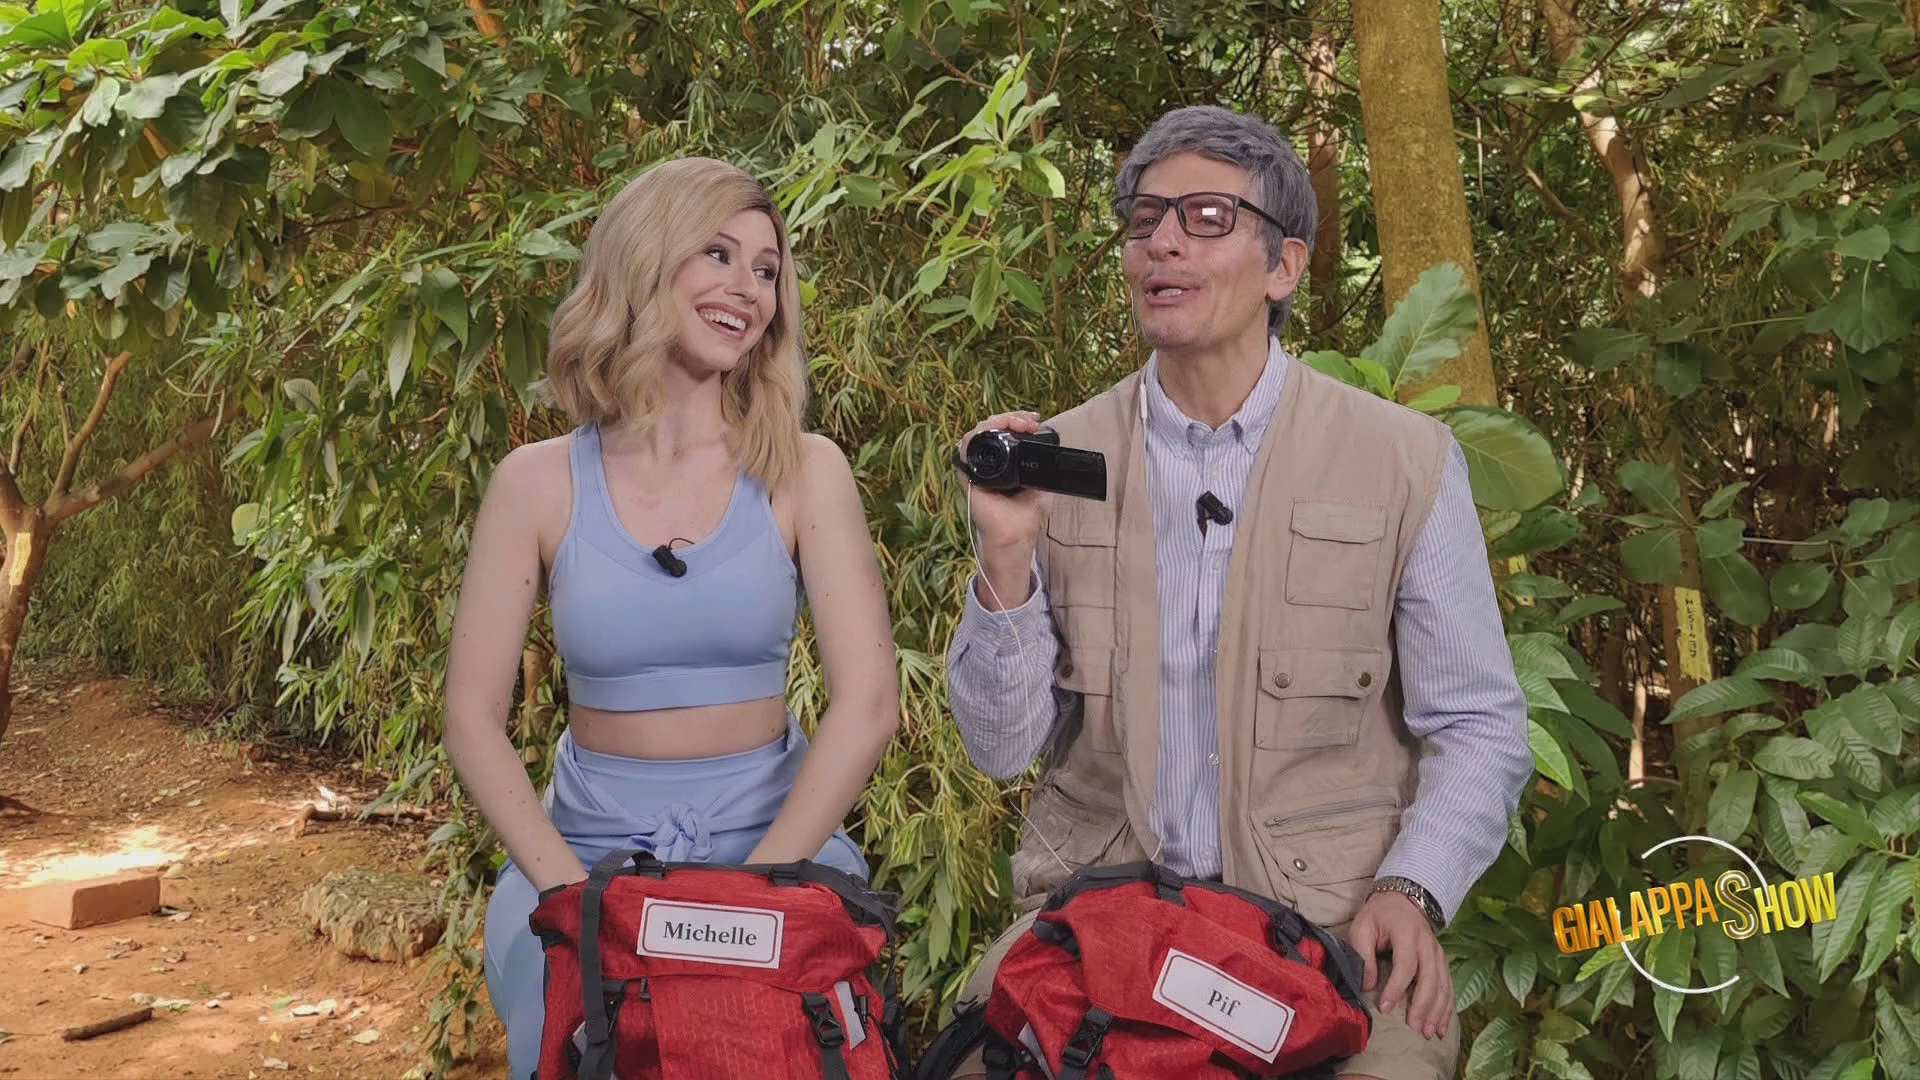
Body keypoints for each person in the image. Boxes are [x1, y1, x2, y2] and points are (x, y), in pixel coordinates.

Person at [942, 105, 1534, 1080]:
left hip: (1332, 931)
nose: (1163, 241)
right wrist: (1006, 555)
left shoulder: (1404, 461)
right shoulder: (1060, 460)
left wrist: (1412, 890)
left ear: (1283, 266)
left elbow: (1478, 724)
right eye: (1144, 220)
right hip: (1095, 922)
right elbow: (1000, 748)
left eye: (1207, 217)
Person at [443, 156, 901, 1080]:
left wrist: (755, 892)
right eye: (718, 254)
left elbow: (868, 705)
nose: (749, 288)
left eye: (767, 269)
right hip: (586, 863)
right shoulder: (535, 483)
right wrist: (577, 904)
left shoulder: (806, 469)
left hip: (776, 852)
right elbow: (471, 720)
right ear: (645, 261)